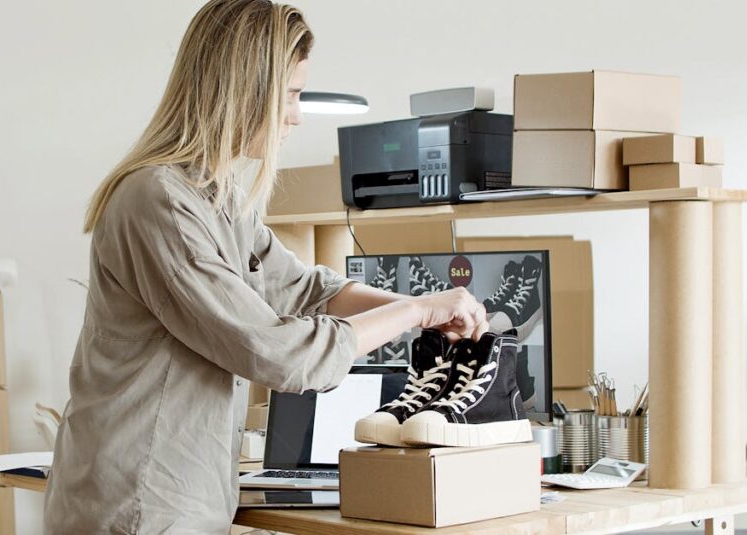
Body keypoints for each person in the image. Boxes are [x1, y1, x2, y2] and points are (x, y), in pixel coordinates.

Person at [44, 1, 489, 532]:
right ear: (243, 91)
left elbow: (305, 290)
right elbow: (276, 352)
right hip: (137, 503)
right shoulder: (159, 202)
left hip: (183, 495)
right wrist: (416, 311)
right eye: (293, 95)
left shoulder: (218, 198)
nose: (297, 116)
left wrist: (428, 311)